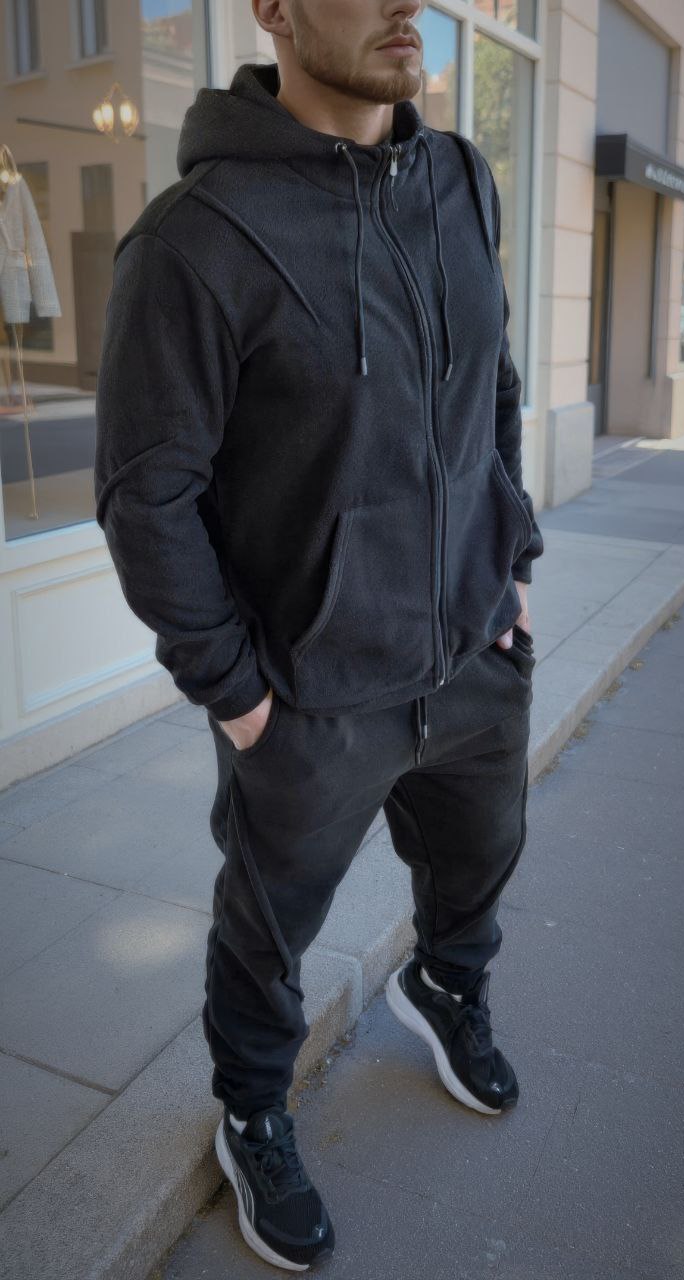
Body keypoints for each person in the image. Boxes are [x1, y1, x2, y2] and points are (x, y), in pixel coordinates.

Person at [94, 0, 544, 1270]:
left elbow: (492, 382)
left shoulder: (461, 178)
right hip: (309, 695)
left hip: (472, 655)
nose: (408, 6)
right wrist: (239, 693)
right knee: (266, 932)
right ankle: (251, 1105)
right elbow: (146, 494)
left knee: (480, 863)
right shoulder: (195, 239)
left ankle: (447, 983)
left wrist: (509, 562)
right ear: (275, 10)